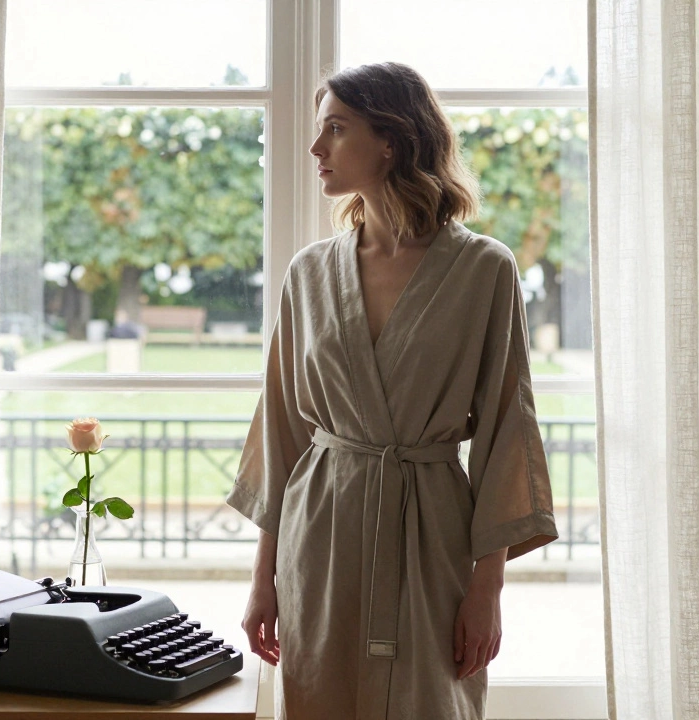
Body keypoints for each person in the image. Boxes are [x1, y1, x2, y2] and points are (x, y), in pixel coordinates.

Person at [224, 62, 559, 720]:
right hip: (321, 535)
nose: (317, 149)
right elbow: (284, 434)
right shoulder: (310, 273)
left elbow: (504, 427)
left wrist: (487, 588)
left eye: (336, 130)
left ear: (392, 139)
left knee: (431, 701)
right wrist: (262, 580)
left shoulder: (483, 270)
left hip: (433, 533)